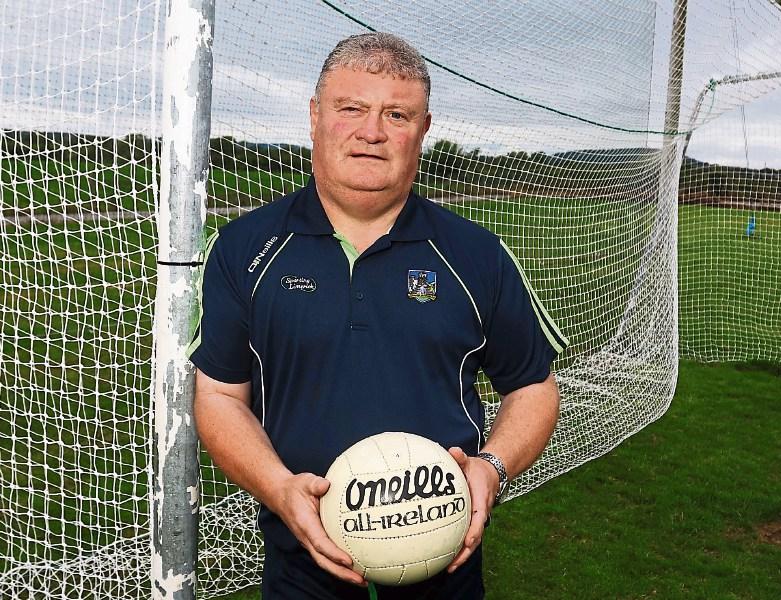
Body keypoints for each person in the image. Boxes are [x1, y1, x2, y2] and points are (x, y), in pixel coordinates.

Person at [189, 32, 568, 600]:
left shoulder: (476, 255)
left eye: (397, 114)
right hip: (299, 570)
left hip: (445, 564)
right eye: (352, 109)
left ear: (423, 129)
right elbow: (219, 396)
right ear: (315, 116)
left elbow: (534, 388)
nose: (372, 131)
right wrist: (279, 487)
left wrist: (490, 467)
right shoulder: (245, 249)